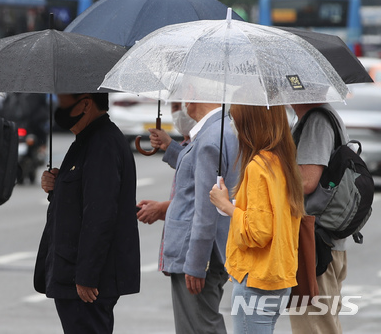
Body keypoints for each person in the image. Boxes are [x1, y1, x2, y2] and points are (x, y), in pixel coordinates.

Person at [34, 93, 140, 334]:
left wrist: (86, 276)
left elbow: (100, 214)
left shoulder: (102, 142)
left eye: (63, 100)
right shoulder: (87, 139)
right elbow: (81, 196)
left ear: (84, 103)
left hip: (85, 282)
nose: (59, 106)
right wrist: (57, 184)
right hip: (72, 273)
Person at [210, 104, 304, 334]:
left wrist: (225, 206)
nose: (234, 125)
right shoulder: (283, 161)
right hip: (278, 274)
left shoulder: (258, 166)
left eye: (237, 119)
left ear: (251, 125)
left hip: (257, 278)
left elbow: (258, 232)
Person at [150, 102, 239, 334]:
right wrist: (170, 147)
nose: (182, 105)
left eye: (183, 98)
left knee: (198, 328)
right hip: (206, 253)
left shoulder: (211, 137)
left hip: (197, 255)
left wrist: (196, 263)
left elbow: (205, 209)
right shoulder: (219, 130)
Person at [288, 102, 349, 334]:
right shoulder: (317, 117)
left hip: (315, 244)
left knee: (314, 325)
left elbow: (307, 181)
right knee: (323, 323)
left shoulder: (317, 121)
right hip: (321, 240)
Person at [136, 102, 195, 225]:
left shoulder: (204, 143)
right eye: (174, 107)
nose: (179, 112)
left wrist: (161, 208)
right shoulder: (185, 144)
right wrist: (159, 210)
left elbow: (197, 200)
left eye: (183, 106)